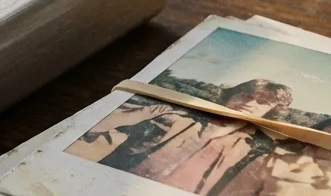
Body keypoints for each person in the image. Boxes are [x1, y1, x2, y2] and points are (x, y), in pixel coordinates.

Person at [116, 79, 293, 184]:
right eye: (246, 95)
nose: (251, 103)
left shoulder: (255, 148)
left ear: (271, 112)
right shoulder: (172, 114)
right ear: (231, 95)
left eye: (263, 103)